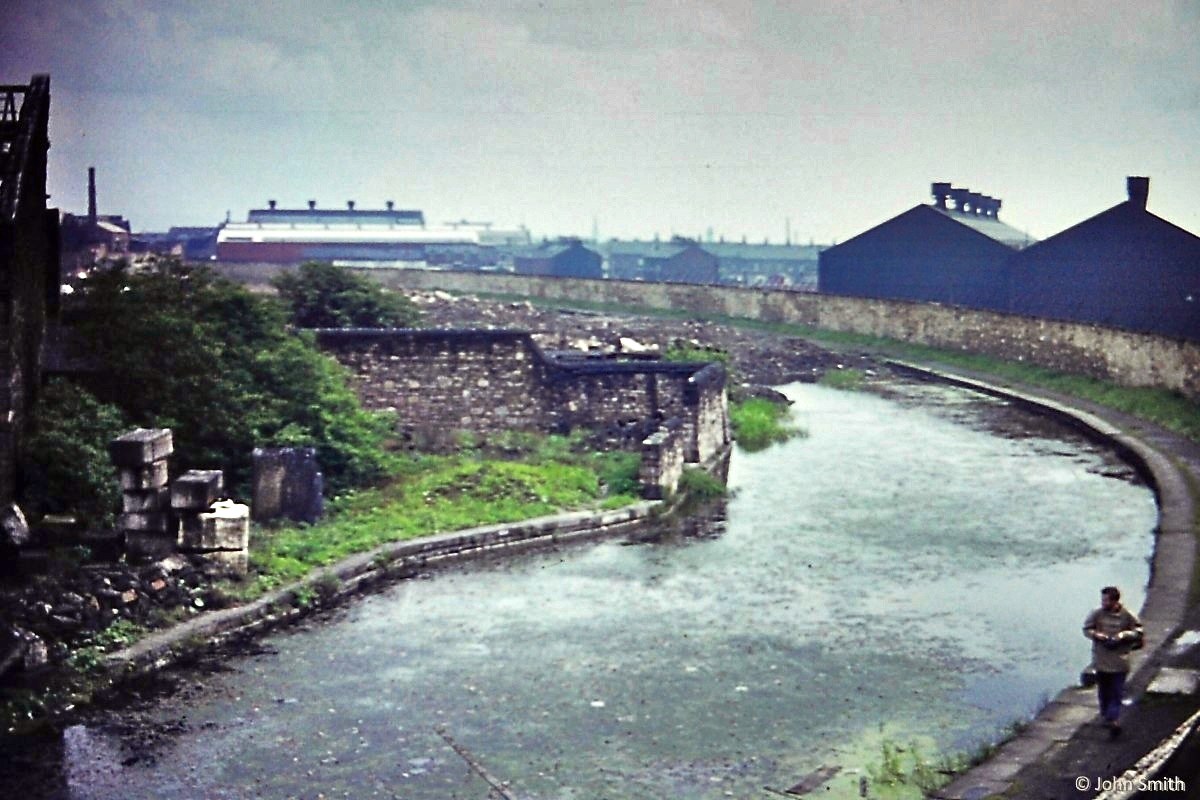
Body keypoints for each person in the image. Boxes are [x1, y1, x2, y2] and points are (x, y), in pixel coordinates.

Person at [1082, 586, 1143, 737]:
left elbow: (1139, 631)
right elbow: (1086, 629)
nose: (1103, 603)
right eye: (1102, 600)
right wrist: (1097, 635)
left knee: (1116, 693)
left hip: (1120, 661)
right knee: (1104, 692)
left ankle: (1113, 720)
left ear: (1115, 601)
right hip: (1101, 660)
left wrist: (1123, 635)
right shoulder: (1096, 613)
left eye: (1106, 600)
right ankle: (1107, 716)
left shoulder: (1127, 615)